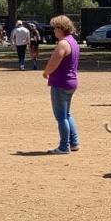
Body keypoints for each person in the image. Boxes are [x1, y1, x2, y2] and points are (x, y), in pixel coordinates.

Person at [42, 15, 80, 154]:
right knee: (67, 114)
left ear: (61, 28)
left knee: (61, 117)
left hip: (61, 83)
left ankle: (64, 146)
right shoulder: (73, 42)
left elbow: (54, 62)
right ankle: (74, 142)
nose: (54, 31)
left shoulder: (63, 44)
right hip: (71, 82)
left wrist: (46, 72)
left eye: (55, 28)